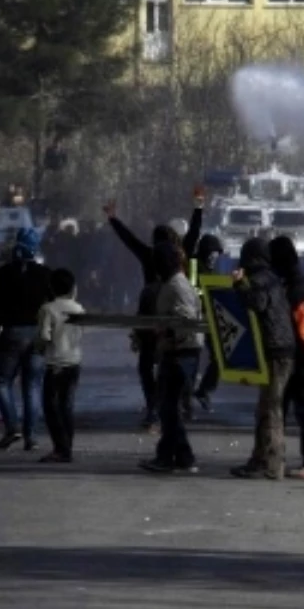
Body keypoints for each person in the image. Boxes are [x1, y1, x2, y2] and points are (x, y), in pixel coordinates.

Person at [104, 190, 203, 429]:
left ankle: (152, 407)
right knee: (178, 357)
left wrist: (113, 218)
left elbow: (128, 239)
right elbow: (193, 235)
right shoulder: (181, 255)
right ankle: (183, 402)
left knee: (147, 362)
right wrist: (199, 207)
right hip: (177, 308)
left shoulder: (149, 254)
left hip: (150, 308)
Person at [229, 237, 295, 481]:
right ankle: (259, 459)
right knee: (265, 409)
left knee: (271, 410)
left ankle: (272, 464)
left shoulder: (261, 280)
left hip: (276, 351)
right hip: (279, 349)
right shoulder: (272, 278)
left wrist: (238, 285)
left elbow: (255, 303)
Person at [0, 227, 52, 450]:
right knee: (32, 385)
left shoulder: (4, 273)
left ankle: (12, 426)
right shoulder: (45, 274)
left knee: (2, 381)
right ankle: (31, 435)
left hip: (12, 333)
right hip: (37, 335)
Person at [139, 242, 201, 474]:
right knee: (169, 408)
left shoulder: (178, 287)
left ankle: (171, 457)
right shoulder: (173, 284)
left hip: (180, 352)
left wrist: (167, 333)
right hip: (176, 351)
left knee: (169, 407)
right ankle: (180, 457)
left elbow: (185, 321)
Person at [269, 236, 304, 481]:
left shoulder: (298, 286)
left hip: (299, 357)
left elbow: (302, 328)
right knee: (285, 407)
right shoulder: (292, 282)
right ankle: (277, 457)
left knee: (303, 409)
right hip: (297, 355)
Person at [37, 268, 85, 463]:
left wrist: (39, 348)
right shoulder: (78, 308)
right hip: (74, 361)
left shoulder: (47, 309)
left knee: (51, 407)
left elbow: (43, 336)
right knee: (67, 406)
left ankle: (60, 448)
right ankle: (67, 447)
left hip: (55, 363)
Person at [192, 233, 224, 411]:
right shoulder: (194, 266)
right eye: (212, 255)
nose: (214, 259)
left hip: (210, 318)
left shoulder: (212, 269)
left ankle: (204, 390)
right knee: (191, 356)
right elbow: (194, 291)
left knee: (218, 357)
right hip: (194, 318)